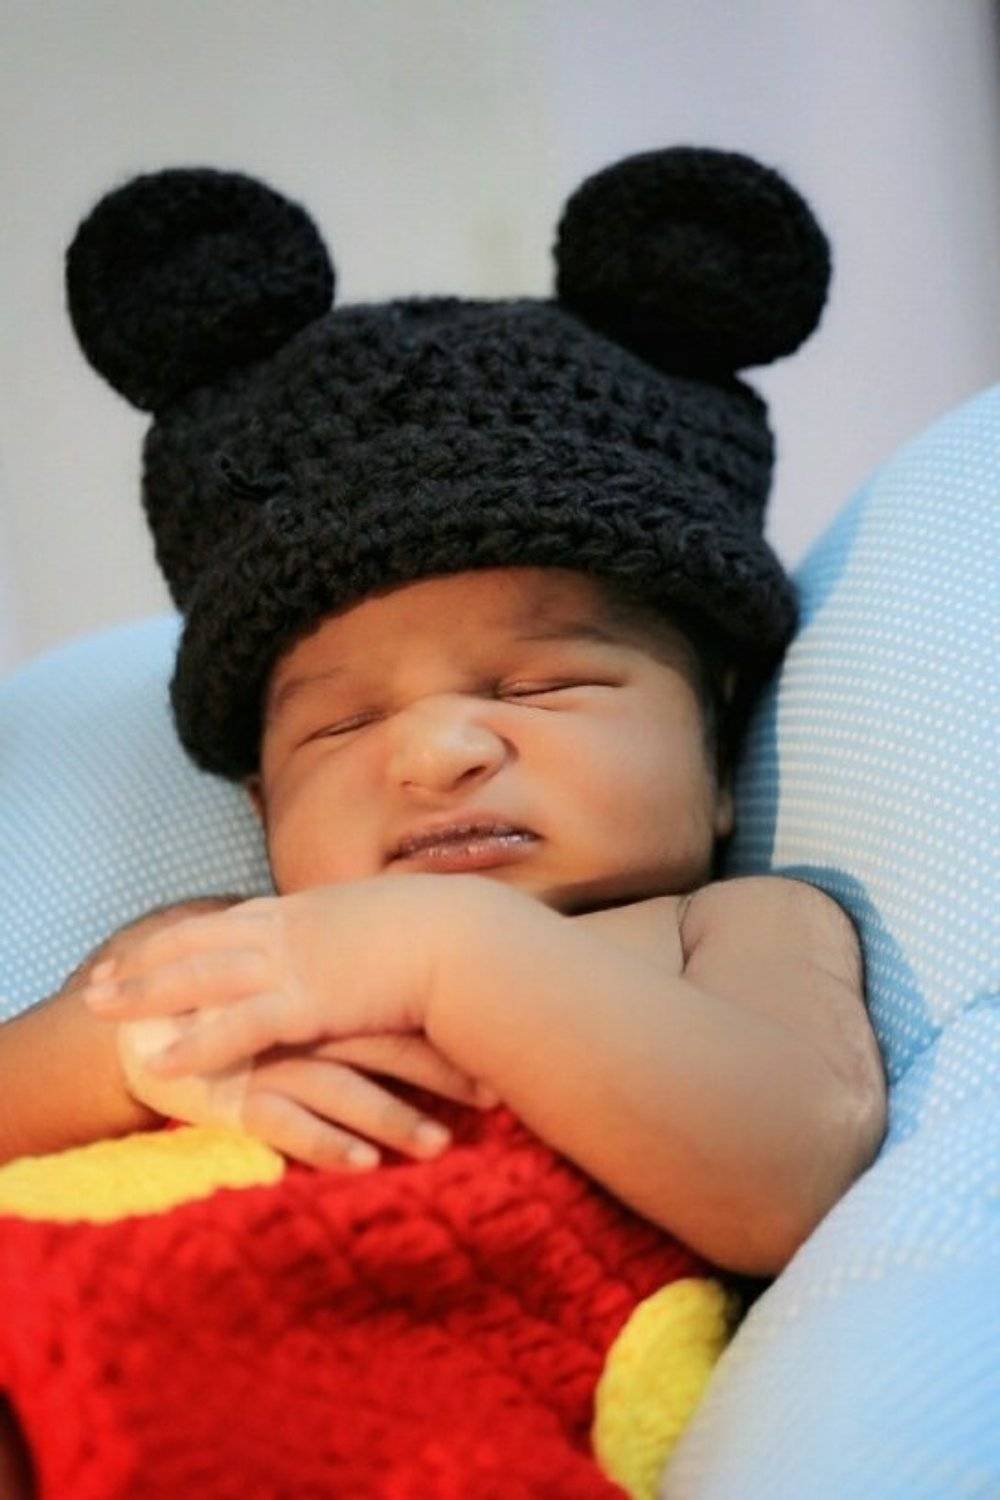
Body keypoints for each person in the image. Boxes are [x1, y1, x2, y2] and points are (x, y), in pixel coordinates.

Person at [0, 147, 886, 1495]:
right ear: (262, 805)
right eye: (341, 725)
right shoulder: (225, 941)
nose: (435, 752)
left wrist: (448, 956)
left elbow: (791, 1177)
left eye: (541, 685)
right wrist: (112, 1061)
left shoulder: (727, 929)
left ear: (716, 747)